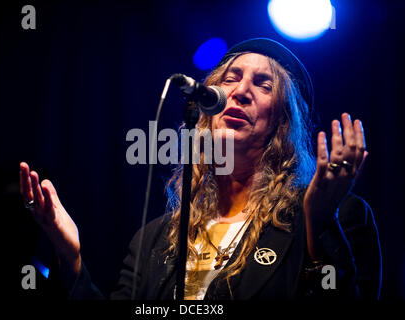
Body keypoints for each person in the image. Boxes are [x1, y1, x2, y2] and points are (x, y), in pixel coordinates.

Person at [19, 38, 381, 300]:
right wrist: (72, 260)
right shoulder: (154, 240)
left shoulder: (330, 216)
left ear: (282, 121)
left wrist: (320, 221)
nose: (240, 92)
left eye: (263, 84)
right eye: (230, 79)